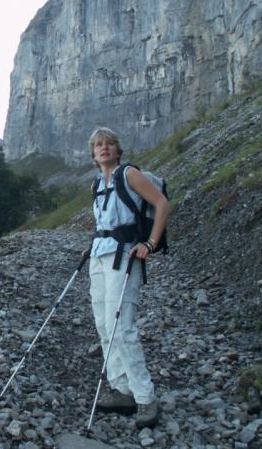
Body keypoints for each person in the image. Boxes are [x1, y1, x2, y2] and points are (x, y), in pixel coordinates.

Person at [84, 126, 169, 429]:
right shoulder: (97, 183)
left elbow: (162, 204)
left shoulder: (129, 174)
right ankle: (122, 389)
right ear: (93, 154)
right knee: (104, 325)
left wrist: (150, 244)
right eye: (98, 145)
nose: (104, 147)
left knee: (121, 327)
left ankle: (145, 397)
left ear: (118, 150)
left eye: (109, 143)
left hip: (125, 256)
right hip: (99, 257)